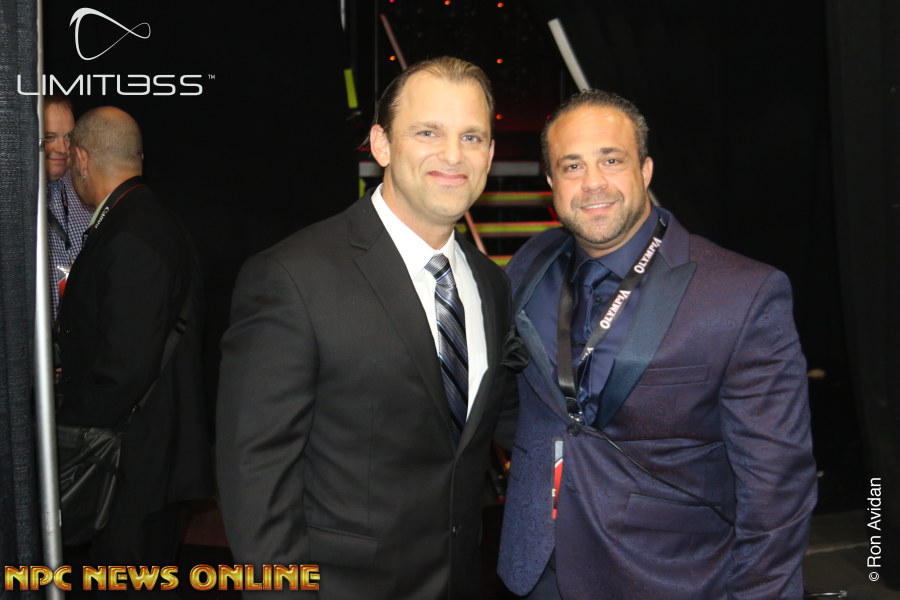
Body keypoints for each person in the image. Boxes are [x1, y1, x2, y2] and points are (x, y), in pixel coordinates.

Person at [216, 56, 518, 600]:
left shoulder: (490, 285)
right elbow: (254, 477)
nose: (453, 155)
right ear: (381, 145)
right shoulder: (292, 277)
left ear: (490, 155)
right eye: (428, 132)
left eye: (471, 137)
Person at [497, 90, 817, 599]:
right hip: (537, 569)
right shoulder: (530, 265)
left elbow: (777, 488)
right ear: (552, 183)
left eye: (611, 160)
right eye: (572, 165)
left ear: (645, 170)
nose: (592, 182)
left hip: (669, 577)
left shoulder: (741, 294)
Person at [57, 107, 212, 579]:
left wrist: (65, 426)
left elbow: (125, 367)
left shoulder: (131, 233)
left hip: (135, 465)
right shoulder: (147, 219)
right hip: (147, 456)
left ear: (81, 159)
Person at [43, 95, 93, 323]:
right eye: (49, 137)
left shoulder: (91, 189)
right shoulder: (12, 203)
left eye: (69, 136)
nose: (63, 149)